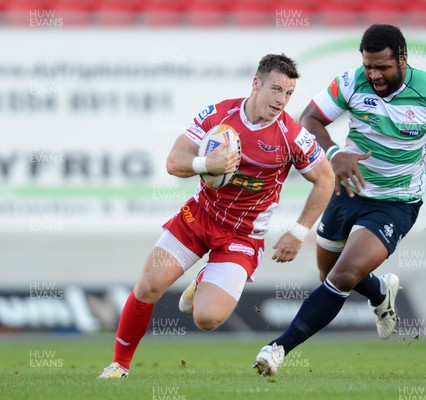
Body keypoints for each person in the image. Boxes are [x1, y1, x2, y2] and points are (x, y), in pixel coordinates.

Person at [253, 24, 426, 376]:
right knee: (328, 273)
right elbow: (310, 118)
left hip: (395, 203)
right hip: (346, 190)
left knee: (344, 275)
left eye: (383, 67)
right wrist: (334, 153)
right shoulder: (351, 82)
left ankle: (278, 349)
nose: (374, 75)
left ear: (403, 60)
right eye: (368, 66)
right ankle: (380, 292)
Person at [98, 54, 334, 379]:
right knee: (149, 285)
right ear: (256, 84)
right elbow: (174, 161)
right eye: (276, 89)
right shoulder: (219, 114)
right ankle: (118, 366)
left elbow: (325, 179)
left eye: (289, 93)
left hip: (242, 236)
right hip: (198, 218)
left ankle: (203, 280)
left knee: (206, 319)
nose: (281, 100)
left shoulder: (291, 136)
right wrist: (205, 164)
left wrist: (298, 231)